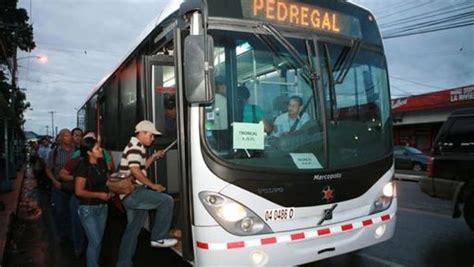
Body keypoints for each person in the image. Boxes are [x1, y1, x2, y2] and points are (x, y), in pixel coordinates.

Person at [116, 120, 177, 267]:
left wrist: (153, 157)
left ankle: (123, 263)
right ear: (142, 133)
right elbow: (135, 171)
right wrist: (153, 186)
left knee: (132, 231)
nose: (153, 139)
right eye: (151, 135)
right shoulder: (135, 147)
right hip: (134, 192)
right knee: (166, 201)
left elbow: (140, 167)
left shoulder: (136, 146)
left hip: (129, 194)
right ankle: (158, 237)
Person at [74, 137, 112, 267]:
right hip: (88, 208)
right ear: (89, 152)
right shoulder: (83, 166)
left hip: (102, 208)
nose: (100, 150)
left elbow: (107, 181)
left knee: (97, 241)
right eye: (97, 148)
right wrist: (99, 195)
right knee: (95, 241)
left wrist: (114, 188)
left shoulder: (101, 162)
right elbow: (78, 191)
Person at [45, 128, 74, 243]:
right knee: (59, 211)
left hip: (73, 186)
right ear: (61, 138)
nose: (69, 137)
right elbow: (48, 169)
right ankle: (62, 234)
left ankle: (72, 234)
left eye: (69, 135)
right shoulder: (55, 152)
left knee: (72, 211)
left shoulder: (76, 151)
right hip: (59, 186)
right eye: (66, 135)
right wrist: (54, 181)